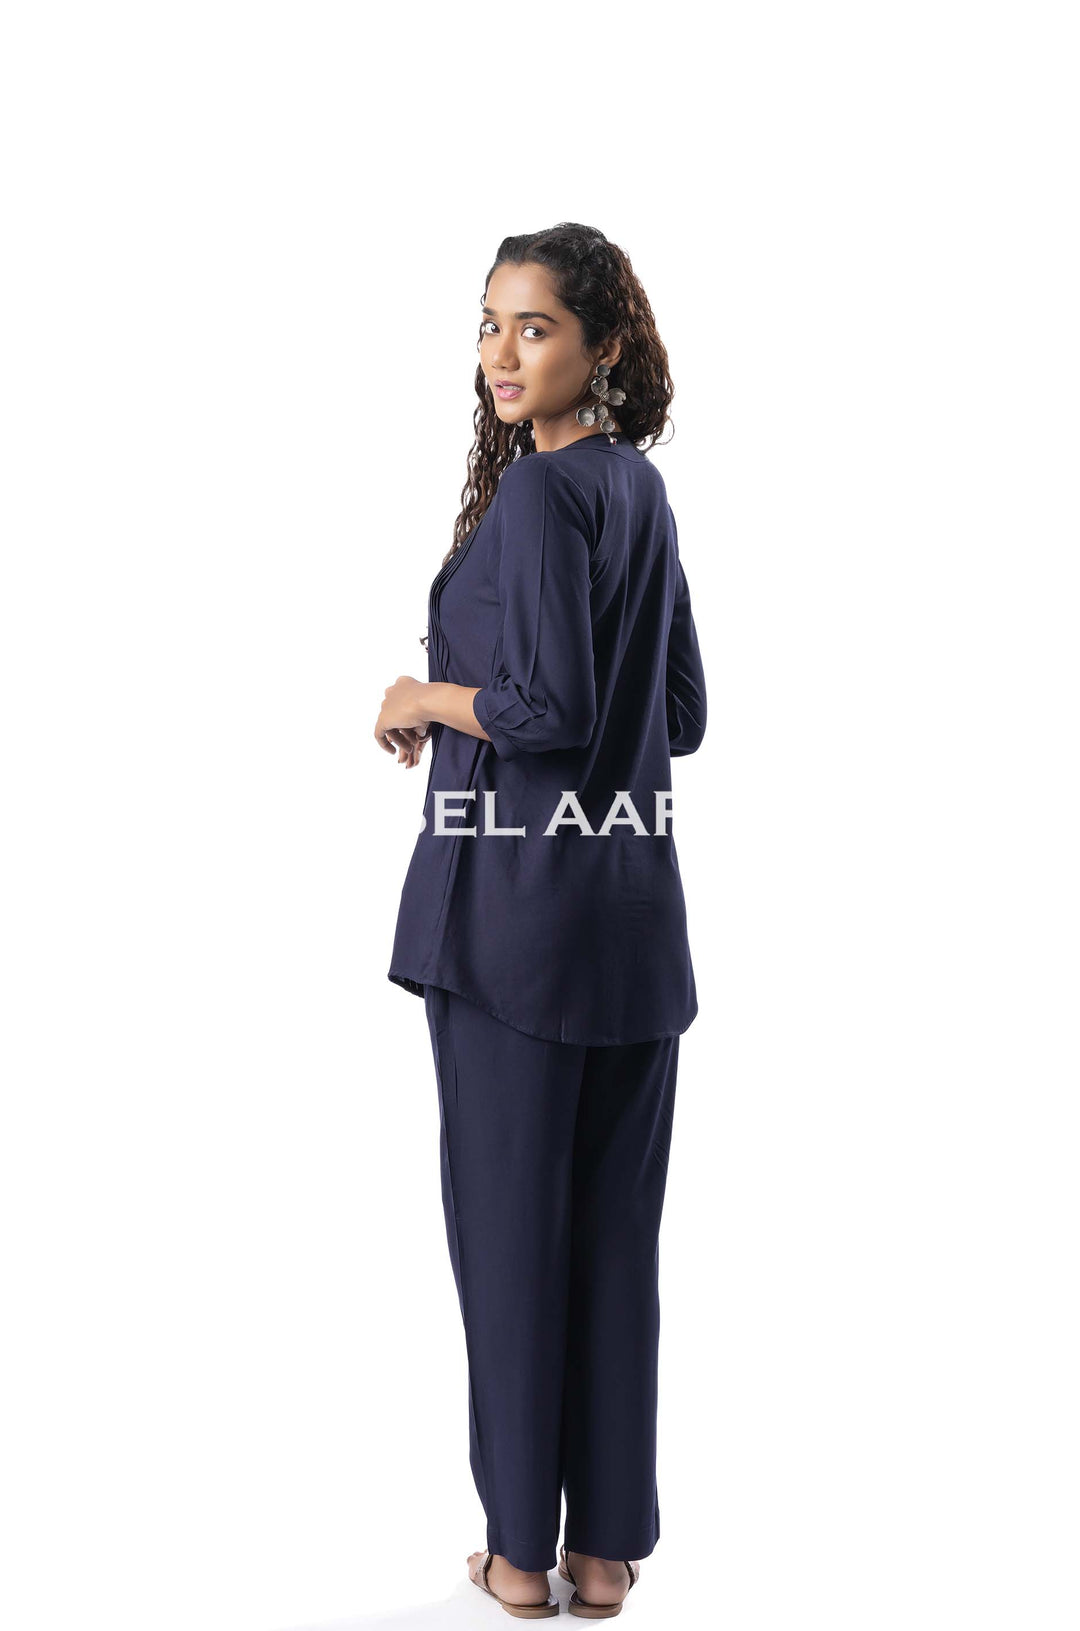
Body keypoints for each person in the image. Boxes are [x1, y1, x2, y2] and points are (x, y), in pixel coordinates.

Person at [375, 223, 707, 1618]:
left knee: (513, 1244)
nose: (503, 355)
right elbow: (677, 715)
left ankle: (519, 1554)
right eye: (491, 325)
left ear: (602, 344)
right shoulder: (640, 492)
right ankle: (605, 1551)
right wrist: (519, 710)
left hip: (514, 928)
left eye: (536, 327)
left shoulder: (538, 495)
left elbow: (548, 710)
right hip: (632, 927)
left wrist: (426, 700)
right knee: (613, 1246)